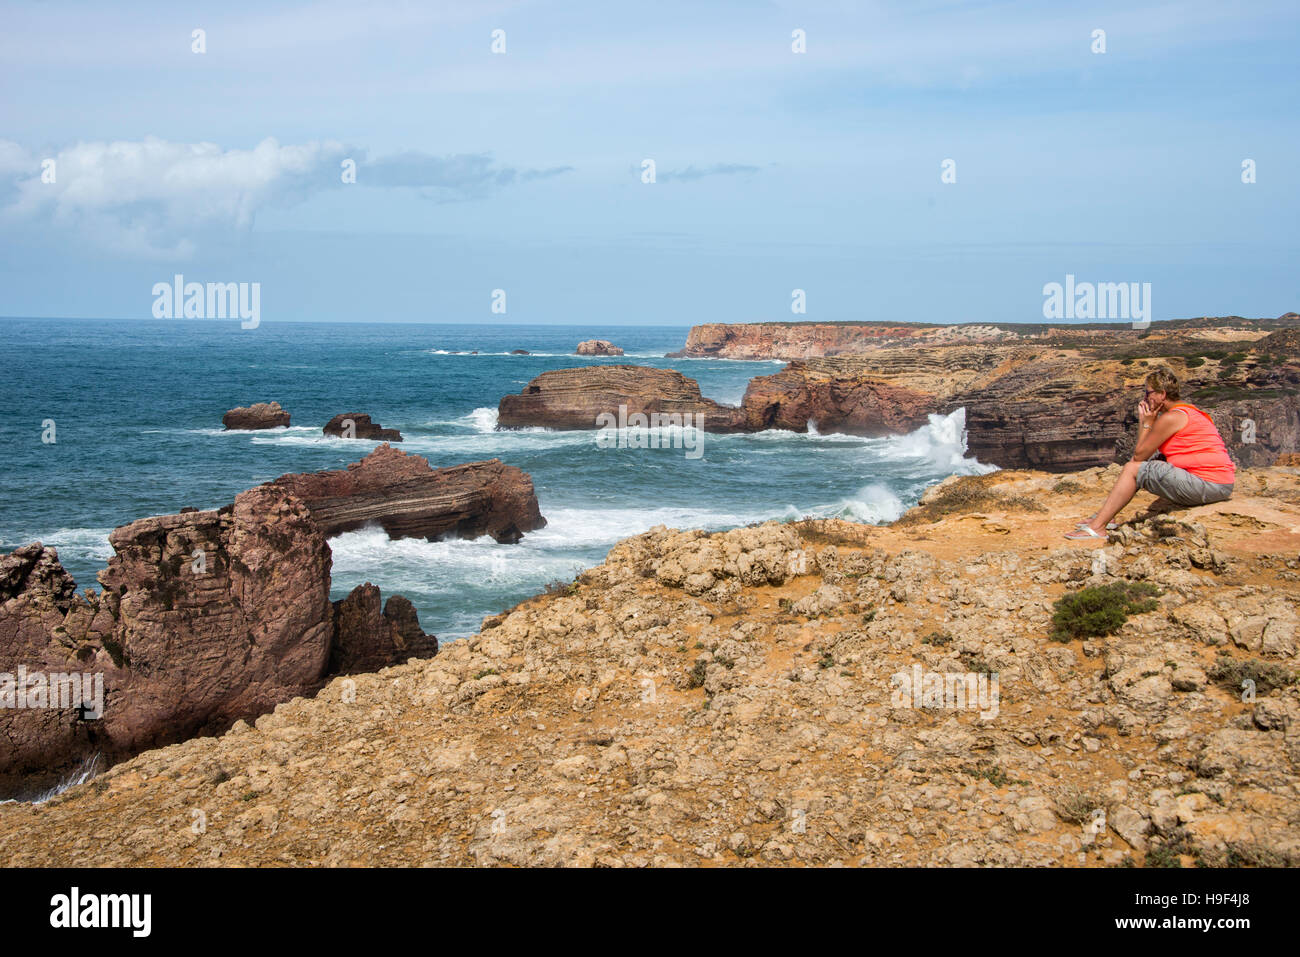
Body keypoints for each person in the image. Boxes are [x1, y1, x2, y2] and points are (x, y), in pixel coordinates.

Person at [1066, 366, 1235, 540]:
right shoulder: (1190, 412)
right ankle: (1108, 515)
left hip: (1208, 486)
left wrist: (1146, 422)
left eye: (1148, 393)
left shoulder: (1171, 418)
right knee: (1144, 463)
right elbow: (1143, 455)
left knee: (1133, 469)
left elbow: (1140, 455)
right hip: (1221, 485)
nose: (1146, 398)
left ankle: (1098, 527)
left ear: (1162, 394)